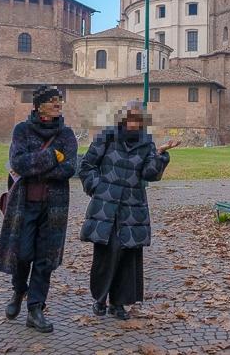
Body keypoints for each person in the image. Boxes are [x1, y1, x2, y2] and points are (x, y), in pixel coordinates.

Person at [77, 100, 180, 320]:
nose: (134, 123)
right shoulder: (107, 137)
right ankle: (100, 298)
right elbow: (87, 165)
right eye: (130, 118)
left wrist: (160, 155)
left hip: (132, 208)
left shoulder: (146, 143)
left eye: (138, 119)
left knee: (127, 255)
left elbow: (149, 174)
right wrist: (98, 187)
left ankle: (119, 303)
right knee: (107, 253)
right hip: (107, 206)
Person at [0, 85, 77, 333]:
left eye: (59, 101)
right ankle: (19, 290)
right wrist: (53, 156)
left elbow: (70, 168)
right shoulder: (22, 130)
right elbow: (19, 163)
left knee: (44, 259)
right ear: (38, 105)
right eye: (52, 101)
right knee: (22, 254)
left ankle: (35, 308)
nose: (58, 105)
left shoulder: (67, 134)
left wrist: (40, 165)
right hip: (24, 204)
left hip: (54, 206)